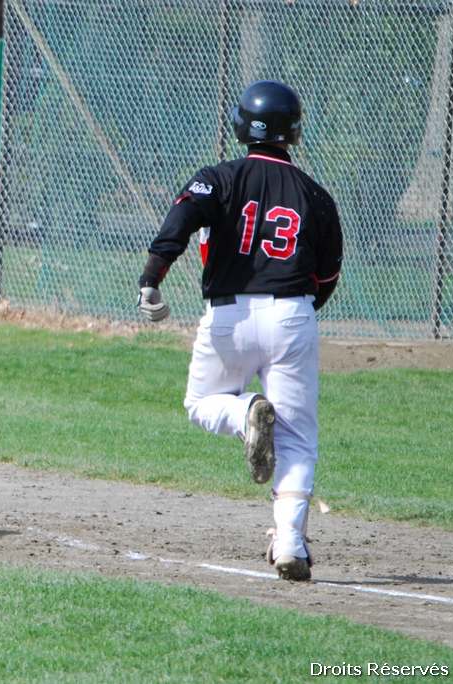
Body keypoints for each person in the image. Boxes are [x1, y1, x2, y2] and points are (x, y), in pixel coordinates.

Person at [136, 80, 343, 581]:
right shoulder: (316, 195)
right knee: (296, 441)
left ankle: (244, 409)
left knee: (202, 404)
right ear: (293, 132)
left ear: (239, 125)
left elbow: (181, 219)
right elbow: (328, 275)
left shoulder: (219, 178)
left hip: (227, 315)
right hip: (293, 314)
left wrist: (151, 280)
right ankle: (291, 542)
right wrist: (298, 313)